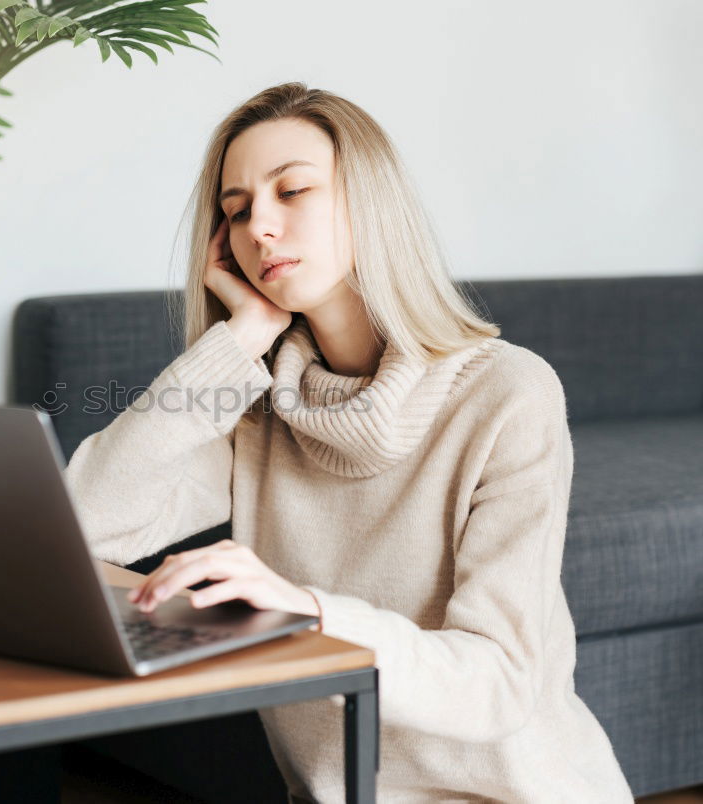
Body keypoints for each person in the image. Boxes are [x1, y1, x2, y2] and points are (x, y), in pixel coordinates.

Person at [64, 82, 634, 803]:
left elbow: (497, 683)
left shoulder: (508, 393)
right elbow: (87, 523)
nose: (258, 227)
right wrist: (239, 339)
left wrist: (308, 614)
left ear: (369, 203)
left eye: (292, 190)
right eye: (236, 211)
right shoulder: (260, 407)